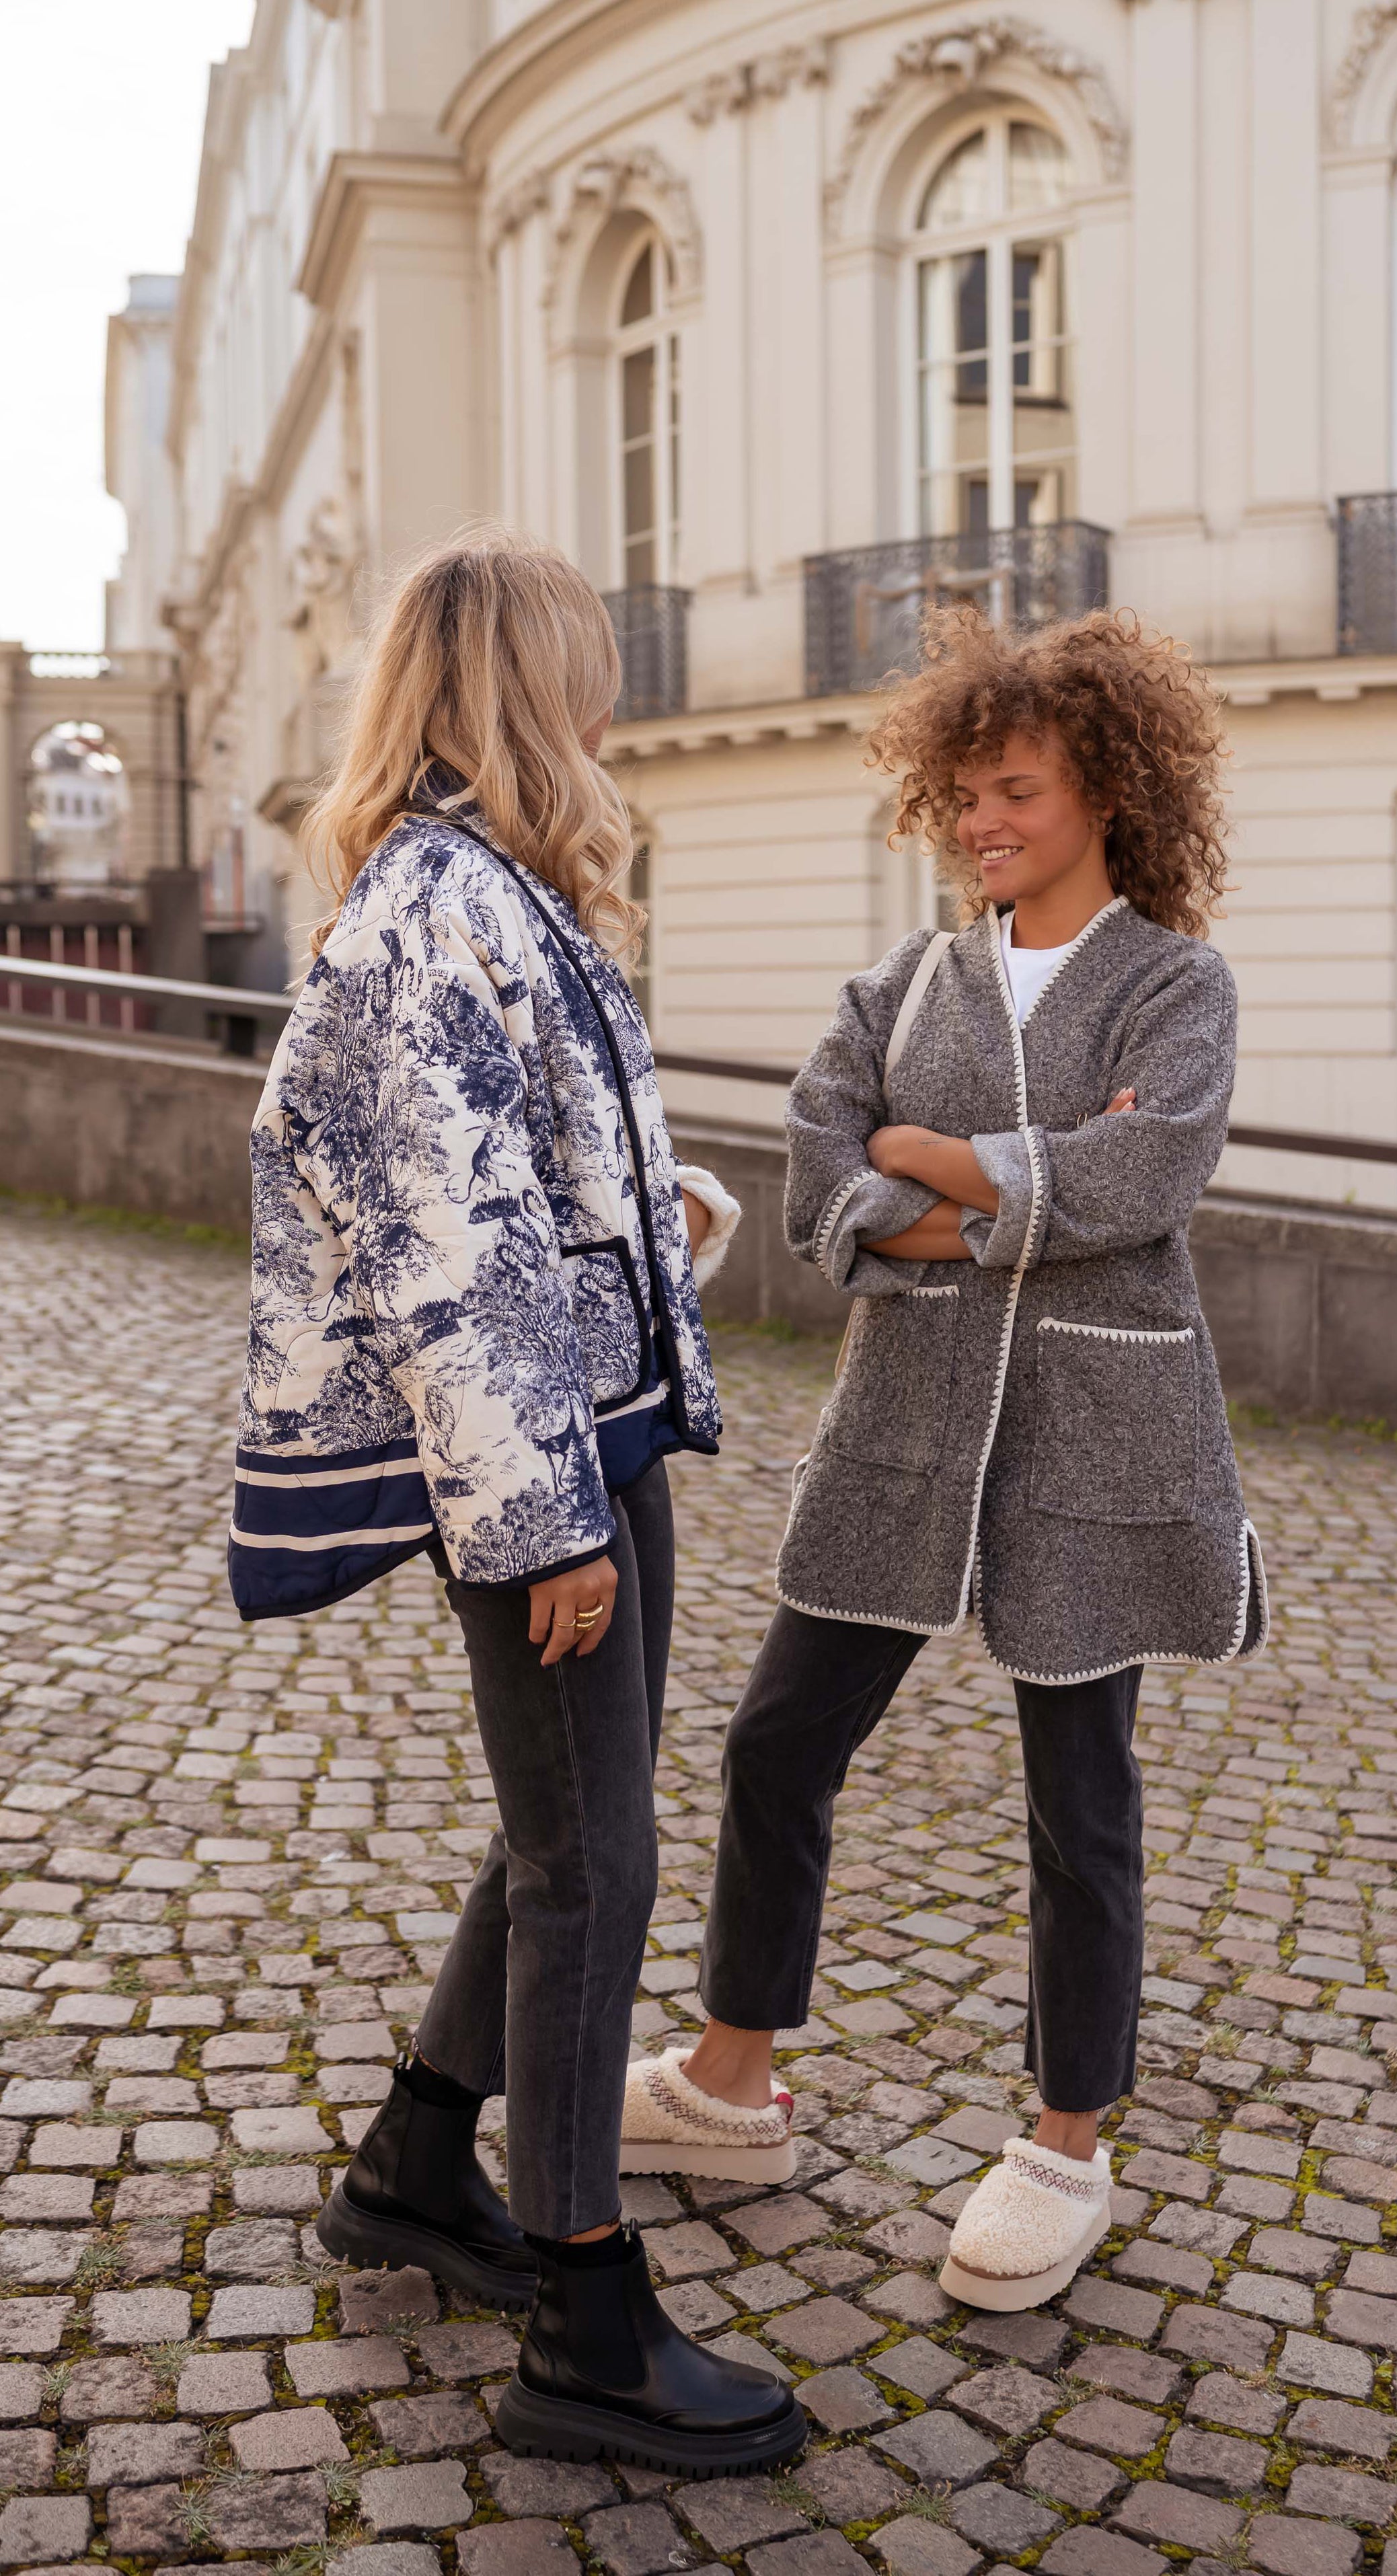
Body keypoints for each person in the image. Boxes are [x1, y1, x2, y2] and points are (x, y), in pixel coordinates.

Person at [229, 529, 805, 2473]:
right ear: (518, 686)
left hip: (587, 1418)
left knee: (574, 1824)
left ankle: (414, 2154)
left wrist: (660, 1228)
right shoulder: (423, 914)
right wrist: (540, 1514)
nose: (617, 698)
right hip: (546, 1453)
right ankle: (581, 2311)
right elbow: (440, 1250)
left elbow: (532, 1179)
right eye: (592, 664)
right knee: (592, 1864)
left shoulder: (491, 892)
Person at [619, 606, 1268, 2312]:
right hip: (902, 1424)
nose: (983, 822)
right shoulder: (898, 979)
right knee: (775, 1743)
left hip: (1095, 1432)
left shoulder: (1174, 984)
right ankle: (731, 2080)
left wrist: (931, 1165)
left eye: (1018, 792)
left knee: (1080, 1796)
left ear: (1105, 791)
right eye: (963, 793)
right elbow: (820, 1175)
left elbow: (1147, 1186)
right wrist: (989, 1187)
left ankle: (1066, 2138)